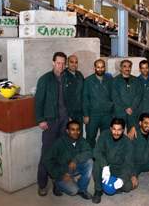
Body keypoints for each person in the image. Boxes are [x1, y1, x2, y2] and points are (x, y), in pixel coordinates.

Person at [35, 51, 70, 196]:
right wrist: (40, 119)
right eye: (58, 63)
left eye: (63, 63)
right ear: (53, 62)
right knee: (47, 154)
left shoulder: (67, 78)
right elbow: (38, 101)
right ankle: (42, 184)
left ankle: (58, 184)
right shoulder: (45, 79)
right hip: (51, 122)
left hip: (64, 121)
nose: (60, 66)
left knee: (61, 155)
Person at [43, 120, 93, 199]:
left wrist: (75, 160)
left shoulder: (81, 140)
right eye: (72, 129)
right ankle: (56, 183)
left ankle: (82, 189)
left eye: (77, 129)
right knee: (73, 191)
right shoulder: (59, 143)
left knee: (89, 162)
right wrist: (59, 175)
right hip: (62, 172)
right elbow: (47, 159)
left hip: (73, 168)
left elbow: (89, 152)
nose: (75, 132)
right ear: (67, 131)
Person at [92, 118, 136, 204]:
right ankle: (98, 190)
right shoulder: (104, 135)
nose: (116, 132)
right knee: (97, 163)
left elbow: (128, 164)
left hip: (118, 169)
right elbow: (96, 152)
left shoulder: (127, 142)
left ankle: (113, 187)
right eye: (114, 129)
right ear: (111, 128)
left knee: (128, 187)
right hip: (105, 166)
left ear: (123, 130)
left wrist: (122, 179)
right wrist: (104, 166)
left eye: (119, 130)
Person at [83, 59, 114, 148]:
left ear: (105, 68)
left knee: (106, 138)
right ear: (95, 68)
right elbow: (85, 98)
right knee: (90, 137)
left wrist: (112, 111)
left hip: (107, 115)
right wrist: (86, 114)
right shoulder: (88, 80)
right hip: (93, 115)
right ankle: (91, 159)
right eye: (98, 67)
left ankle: (104, 158)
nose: (100, 69)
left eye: (102, 67)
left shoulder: (110, 80)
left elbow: (113, 96)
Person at [112, 60, 143, 136]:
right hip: (120, 112)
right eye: (125, 66)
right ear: (121, 68)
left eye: (129, 66)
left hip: (133, 112)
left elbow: (139, 95)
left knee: (132, 134)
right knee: (118, 134)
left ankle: (131, 148)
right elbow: (115, 97)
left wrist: (132, 107)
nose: (127, 68)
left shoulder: (136, 80)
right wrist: (125, 108)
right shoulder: (115, 80)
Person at [64, 55, 84, 125]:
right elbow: (61, 97)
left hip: (79, 112)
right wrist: (67, 115)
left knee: (79, 133)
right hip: (68, 114)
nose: (74, 64)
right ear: (67, 63)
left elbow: (83, 93)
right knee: (69, 134)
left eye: (76, 62)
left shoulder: (79, 75)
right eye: (71, 62)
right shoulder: (63, 75)